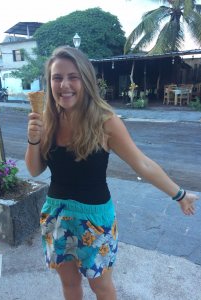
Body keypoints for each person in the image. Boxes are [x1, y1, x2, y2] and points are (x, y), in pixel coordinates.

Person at [25, 46, 199, 300]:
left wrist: (179, 194)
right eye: (57, 77)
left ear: (85, 79)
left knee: (101, 287)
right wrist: (32, 140)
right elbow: (34, 168)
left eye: (73, 76)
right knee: (69, 285)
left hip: (95, 221)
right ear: (49, 82)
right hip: (56, 217)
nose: (64, 84)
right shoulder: (47, 118)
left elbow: (142, 163)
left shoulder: (104, 121)